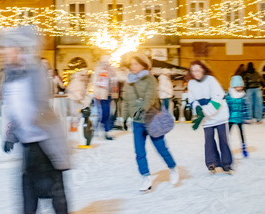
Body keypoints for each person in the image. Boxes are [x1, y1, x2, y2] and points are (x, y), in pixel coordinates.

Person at [0, 26, 77, 214]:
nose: (4, 51)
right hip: (27, 141)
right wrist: (11, 134)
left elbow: (40, 103)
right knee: (27, 187)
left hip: (46, 140)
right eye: (3, 47)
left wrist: (32, 121)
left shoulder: (35, 70)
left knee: (54, 187)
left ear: (20, 48)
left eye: (8, 47)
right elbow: (14, 109)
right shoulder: (9, 74)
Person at [123, 54, 179, 192]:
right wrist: (124, 117)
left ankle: (173, 168)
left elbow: (150, 97)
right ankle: (146, 177)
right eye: (131, 64)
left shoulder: (150, 79)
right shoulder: (128, 81)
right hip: (137, 122)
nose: (132, 66)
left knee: (161, 148)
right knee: (139, 152)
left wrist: (140, 109)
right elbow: (126, 101)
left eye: (136, 64)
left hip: (151, 119)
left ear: (143, 65)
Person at [187, 61, 233, 175]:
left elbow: (218, 97)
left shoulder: (211, 80)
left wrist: (205, 112)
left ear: (203, 69)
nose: (195, 73)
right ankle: (211, 162)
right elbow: (192, 100)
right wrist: (198, 110)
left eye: (197, 70)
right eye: (193, 71)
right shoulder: (191, 83)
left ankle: (226, 163)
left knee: (223, 139)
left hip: (219, 115)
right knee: (208, 140)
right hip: (207, 119)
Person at [226, 75, 250, 158]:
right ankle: (225, 148)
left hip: (239, 118)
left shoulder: (243, 95)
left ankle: (244, 148)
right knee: (227, 134)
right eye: (238, 86)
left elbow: (245, 107)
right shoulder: (229, 96)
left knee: (241, 134)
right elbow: (226, 107)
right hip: (230, 118)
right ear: (234, 86)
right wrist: (225, 117)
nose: (240, 88)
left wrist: (246, 117)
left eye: (241, 86)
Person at [92, 56, 116, 140]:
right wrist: (97, 93)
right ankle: (99, 129)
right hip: (101, 96)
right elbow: (94, 82)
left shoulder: (111, 70)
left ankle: (105, 131)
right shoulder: (98, 69)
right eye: (105, 62)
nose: (107, 64)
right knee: (103, 113)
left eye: (108, 62)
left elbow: (114, 81)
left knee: (107, 113)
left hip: (108, 95)